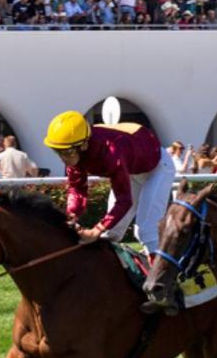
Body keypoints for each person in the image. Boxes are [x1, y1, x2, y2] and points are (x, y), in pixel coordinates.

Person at [43, 110, 174, 257]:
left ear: (84, 145)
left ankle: (161, 278)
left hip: (158, 169)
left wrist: (95, 230)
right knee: (111, 232)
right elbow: (77, 189)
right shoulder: (78, 148)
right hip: (131, 169)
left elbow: (124, 201)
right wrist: (72, 215)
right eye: (58, 151)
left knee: (145, 231)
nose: (63, 158)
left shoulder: (110, 153)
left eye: (67, 152)